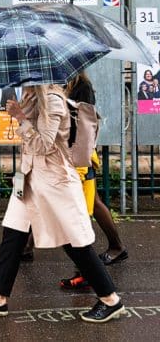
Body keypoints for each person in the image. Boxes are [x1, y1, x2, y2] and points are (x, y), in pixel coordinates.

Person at [0, 84, 126, 323]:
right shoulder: (32, 95)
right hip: (29, 179)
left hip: (54, 183)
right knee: (12, 235)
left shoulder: (52, 99)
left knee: (74, 242)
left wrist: (20, 118)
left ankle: (111, 299)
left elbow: (44, 144)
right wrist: (21, 115)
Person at [59, 72, 128, 291]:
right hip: (69, 156)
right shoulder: (63, 85)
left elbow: (86, 127)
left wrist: (81, 161)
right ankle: (24, 247)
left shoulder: (82, 86)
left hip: (79, 158)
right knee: (86, 206)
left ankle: (89, 272)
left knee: (79, 212)